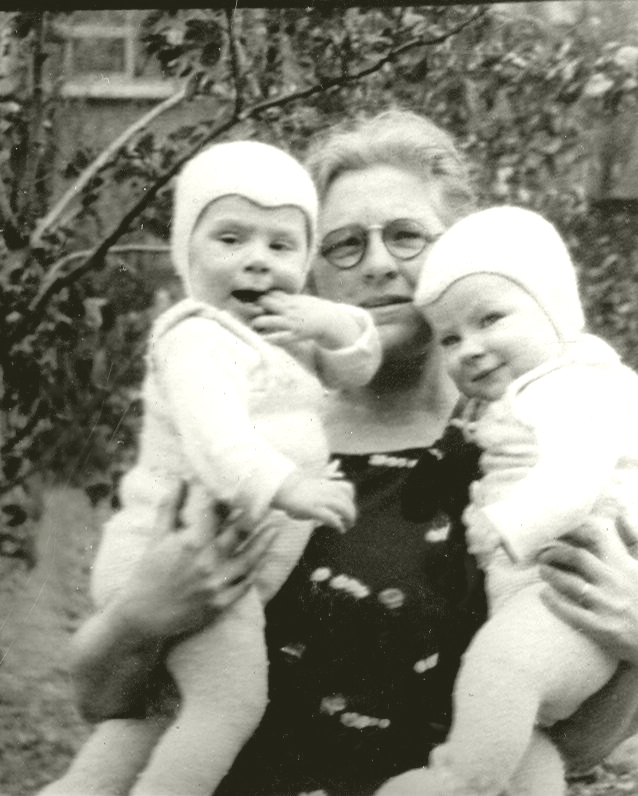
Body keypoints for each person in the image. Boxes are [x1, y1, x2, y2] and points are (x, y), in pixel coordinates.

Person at [64, 111, 638, 796]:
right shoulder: (251, 443)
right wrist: (140, 615)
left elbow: (576, 742)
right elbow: (105, 703)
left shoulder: (529, 456)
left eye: (407, 236)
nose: (378, 264)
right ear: (308, 268)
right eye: (343, 245)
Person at [38, 140, 382, 796]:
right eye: (231, 238)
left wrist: (332, 320)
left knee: (152, 718)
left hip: (214, 564)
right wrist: (289, 486)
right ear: (186, 252)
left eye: (282, 246)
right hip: (177, 555)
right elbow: (219, 442)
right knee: (229, 704)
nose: (258, 258)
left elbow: (358, 369)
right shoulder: (196, 337)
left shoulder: (274, 343)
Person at [376, 205, 638, 796]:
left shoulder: (576, 385)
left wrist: (507, 523)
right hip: (540, 597)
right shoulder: (527, 394)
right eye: (449, 338)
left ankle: (457, 782)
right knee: (526, 738)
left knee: (499, 672)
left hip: (569, 589)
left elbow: (574, 478)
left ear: (554, 310)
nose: (469, 348)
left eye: (490, 318)